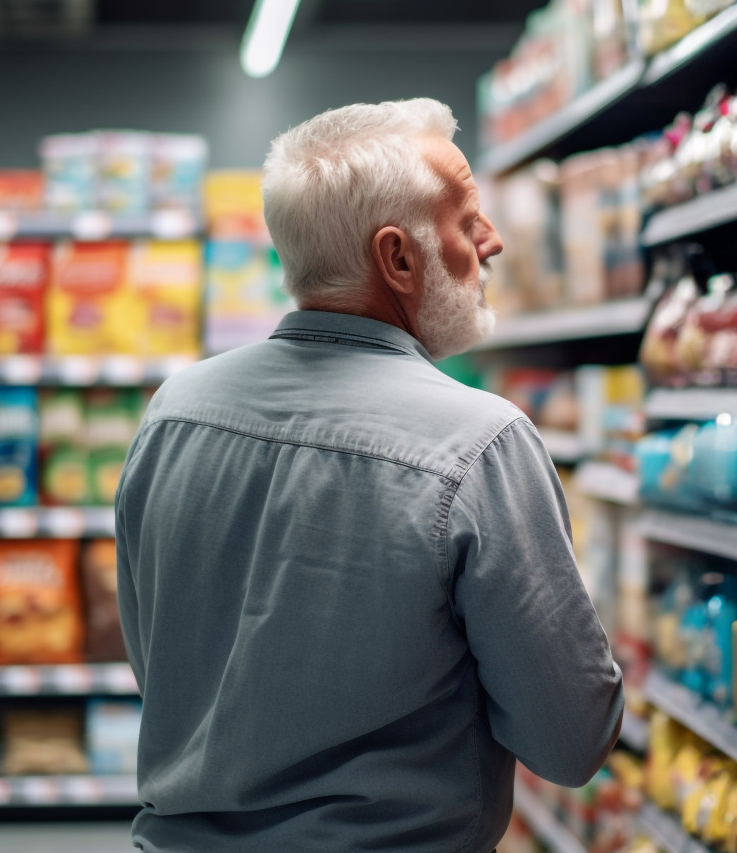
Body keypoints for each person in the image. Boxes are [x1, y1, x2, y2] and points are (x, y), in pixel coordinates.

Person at [115, 99, 624, 852]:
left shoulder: (173, 413)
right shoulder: (480, 441)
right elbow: (569, 740)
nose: (495, 242)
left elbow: (162, 664)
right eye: (467, 219)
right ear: (398, 257)